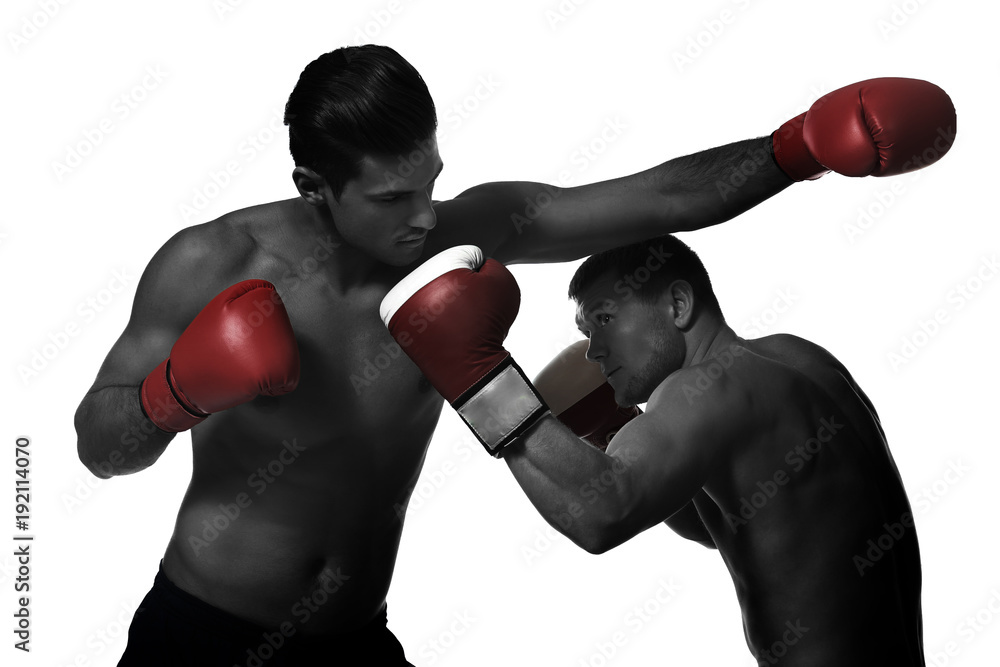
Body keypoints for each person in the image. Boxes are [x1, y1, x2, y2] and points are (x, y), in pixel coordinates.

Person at [74, 42, 951, 665]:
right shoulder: (211, 261)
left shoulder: (456, 232)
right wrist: (176, 389)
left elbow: (657, 199)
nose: (424, 216)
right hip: (203, 630)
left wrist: (795, 148)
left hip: (354, 633)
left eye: (432, 181)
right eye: (390, 197)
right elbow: (98, 444)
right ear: (316, 190)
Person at [379, 236, 926, 666]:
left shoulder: (706, 387)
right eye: (587, 330)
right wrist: (609, 425)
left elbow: (602, 515)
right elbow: (726, 524)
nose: (593, 351)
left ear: (678, 304)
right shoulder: (801, 360)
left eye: (606, 321)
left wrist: (478, 376)